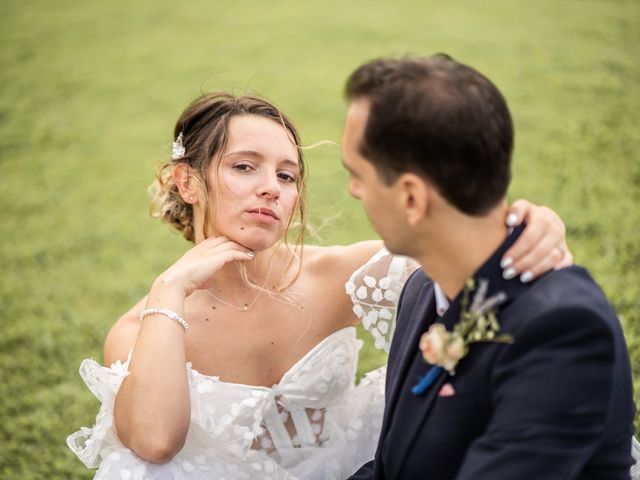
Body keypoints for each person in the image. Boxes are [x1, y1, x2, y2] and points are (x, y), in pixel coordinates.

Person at [67, 92, 571, 479]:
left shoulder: (336, 274)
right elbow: (155, 442)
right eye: (245, 167)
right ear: (188, 182)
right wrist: (169, 290)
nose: (272, 187)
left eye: (287, 176)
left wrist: (533, 220)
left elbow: (465, 247)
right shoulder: (142, 325)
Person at [342, 55, 636, 480]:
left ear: (411, 198)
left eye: (358, 175)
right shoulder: (422, 289)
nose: (353, 191)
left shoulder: (564, 331)